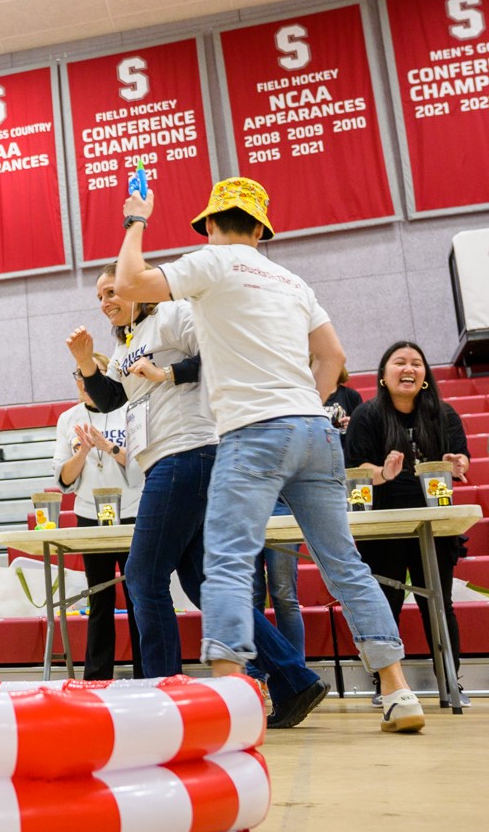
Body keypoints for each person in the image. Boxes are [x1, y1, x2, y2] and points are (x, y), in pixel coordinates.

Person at [114, 177, 425, 734]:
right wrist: (308, 401)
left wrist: (136, 218)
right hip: (315, 430)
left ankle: (231, 698)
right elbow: (333, 356)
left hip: (253, 432)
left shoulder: (212, 263)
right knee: (346, 567)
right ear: (260, 228)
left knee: (228, 566)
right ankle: (399, 691)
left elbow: (130, 280)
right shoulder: (292, 280)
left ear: (210, 225)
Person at [73, 261, 323, 725]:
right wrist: (88, 363)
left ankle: (165, 698)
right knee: (201, 585)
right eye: (100, 297)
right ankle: (294, 679)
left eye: (112, 290)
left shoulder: (174, 314)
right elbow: (115, 401)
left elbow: (216, 353)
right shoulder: (126, 339)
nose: (106, 301)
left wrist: (167, 375)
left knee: (144, 578)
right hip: (168, 462)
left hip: (188, 454)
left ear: (135, 287)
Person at [346, 341, 472, 706]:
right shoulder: (368, 417)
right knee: (386, 601)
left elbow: (460, 458)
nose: (409, 368)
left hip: (433, 524)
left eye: (417, 363)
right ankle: (386, 683)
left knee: (438, 604)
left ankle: (450, 680)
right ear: (384, 376)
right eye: (399, 362)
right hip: (385, 522)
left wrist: (458, 464)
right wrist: (383, 474)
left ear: (425, 377)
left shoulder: (443, 415)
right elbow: (354, 468)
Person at [51, 355, 142, 681]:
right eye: (79, 374)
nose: (84, 382)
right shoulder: (68, 419)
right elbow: (62, 480)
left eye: (92, 374)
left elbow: (142, 466)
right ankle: (97, 677)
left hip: (132, 512)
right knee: (99, 598)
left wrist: (109, 447)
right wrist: (83, 452)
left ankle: (147, 673)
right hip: (90, 514)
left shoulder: (128, 408)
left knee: (139, 597)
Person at [326, 366, 365, 434]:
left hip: (344, 443)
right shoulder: (310, 396)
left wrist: (353, 425)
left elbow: (364, 427)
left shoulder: (352, 395)